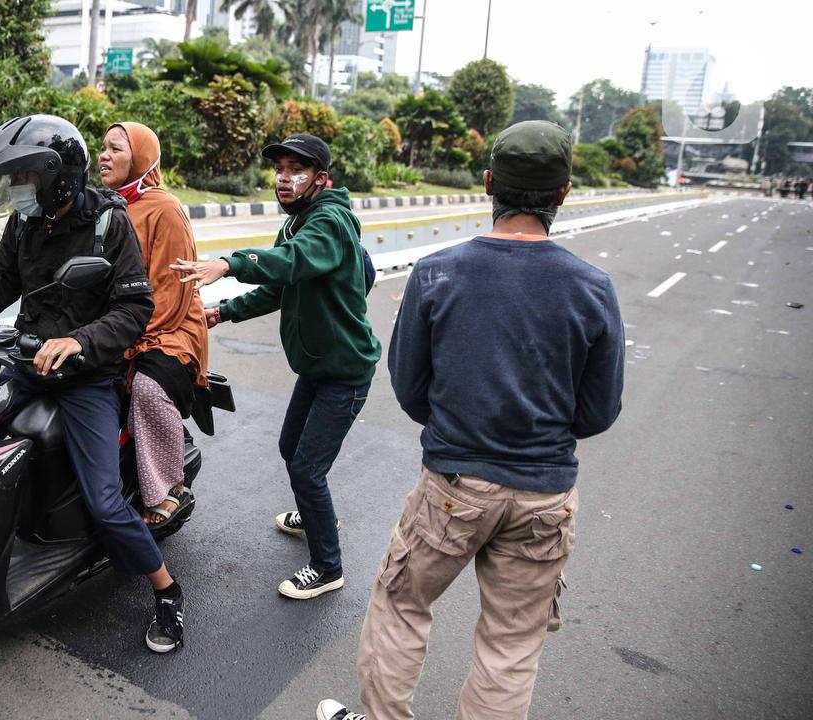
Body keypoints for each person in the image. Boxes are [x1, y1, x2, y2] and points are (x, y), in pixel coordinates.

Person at [317, 121, 625, 720]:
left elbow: (410, 388)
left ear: (488, 184)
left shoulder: (437, 273)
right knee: (512, 645)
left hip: (453, 485)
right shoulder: (593, 286)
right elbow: (599, 410)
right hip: (545, 495)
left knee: (402, 603)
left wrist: (462, 427)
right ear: (564, 193)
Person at [0, 114, 186, 653]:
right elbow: (1, 285)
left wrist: (79, 342)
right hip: (26, 361)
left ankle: (167, 592)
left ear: (56, 176)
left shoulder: (109, 222)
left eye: (23, 179)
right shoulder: (25, 223)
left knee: (105, 501)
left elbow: (135, 308)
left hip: (86, 379)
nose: (16, 191)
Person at [172, 134, 380, 600]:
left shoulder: (328, 222)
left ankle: (328, 566)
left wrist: (228, 264)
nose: (284, 179)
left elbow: (291, 262)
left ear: (321, 179)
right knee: (292, 448)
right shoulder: (299, 222)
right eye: (280, 169)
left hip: (345, 372)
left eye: (296, 170)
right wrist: (222, 312)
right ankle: (313, 516)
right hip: (318, 366)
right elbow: (280, 285)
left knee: (308, 468)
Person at [98, 121, 208, 528]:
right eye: (102, 148)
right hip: (121, 324)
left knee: (145, 385)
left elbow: (171, 290)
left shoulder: (164, 209)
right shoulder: (107, 207)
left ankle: (168, 488)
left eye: (116, 149)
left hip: (170, 328)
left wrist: (125, 341)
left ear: (141, 158)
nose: (104, 156)